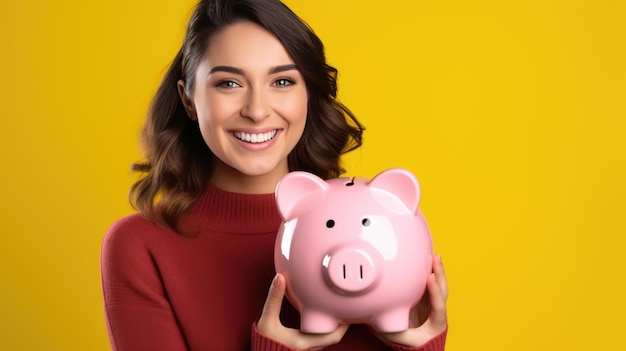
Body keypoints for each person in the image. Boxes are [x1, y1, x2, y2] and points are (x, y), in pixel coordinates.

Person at [100, 0, 448, 350]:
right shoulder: (140, 247)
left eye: (281, 81)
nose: (257, 110)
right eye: (229, 84)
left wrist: (419, 345)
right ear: (189, 99)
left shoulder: (387, 229)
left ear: (308, 94)